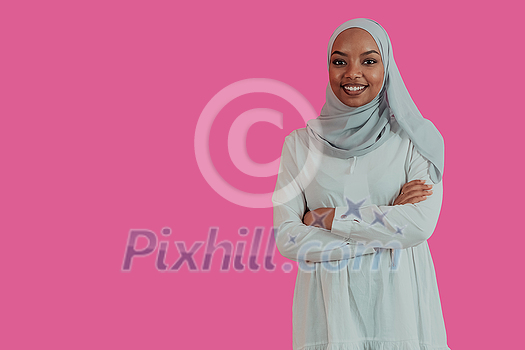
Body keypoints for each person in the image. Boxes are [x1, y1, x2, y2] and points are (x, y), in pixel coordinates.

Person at [272, 18, 450, 350]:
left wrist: (327, 219)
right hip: (328, 315)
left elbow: (419, 225)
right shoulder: (299, 146)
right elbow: (288, 237)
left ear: (387, 66)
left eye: (369, 61)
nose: (353, 73)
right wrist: (386, 226)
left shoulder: (414, 140)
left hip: (400, 313)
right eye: (340, 61)